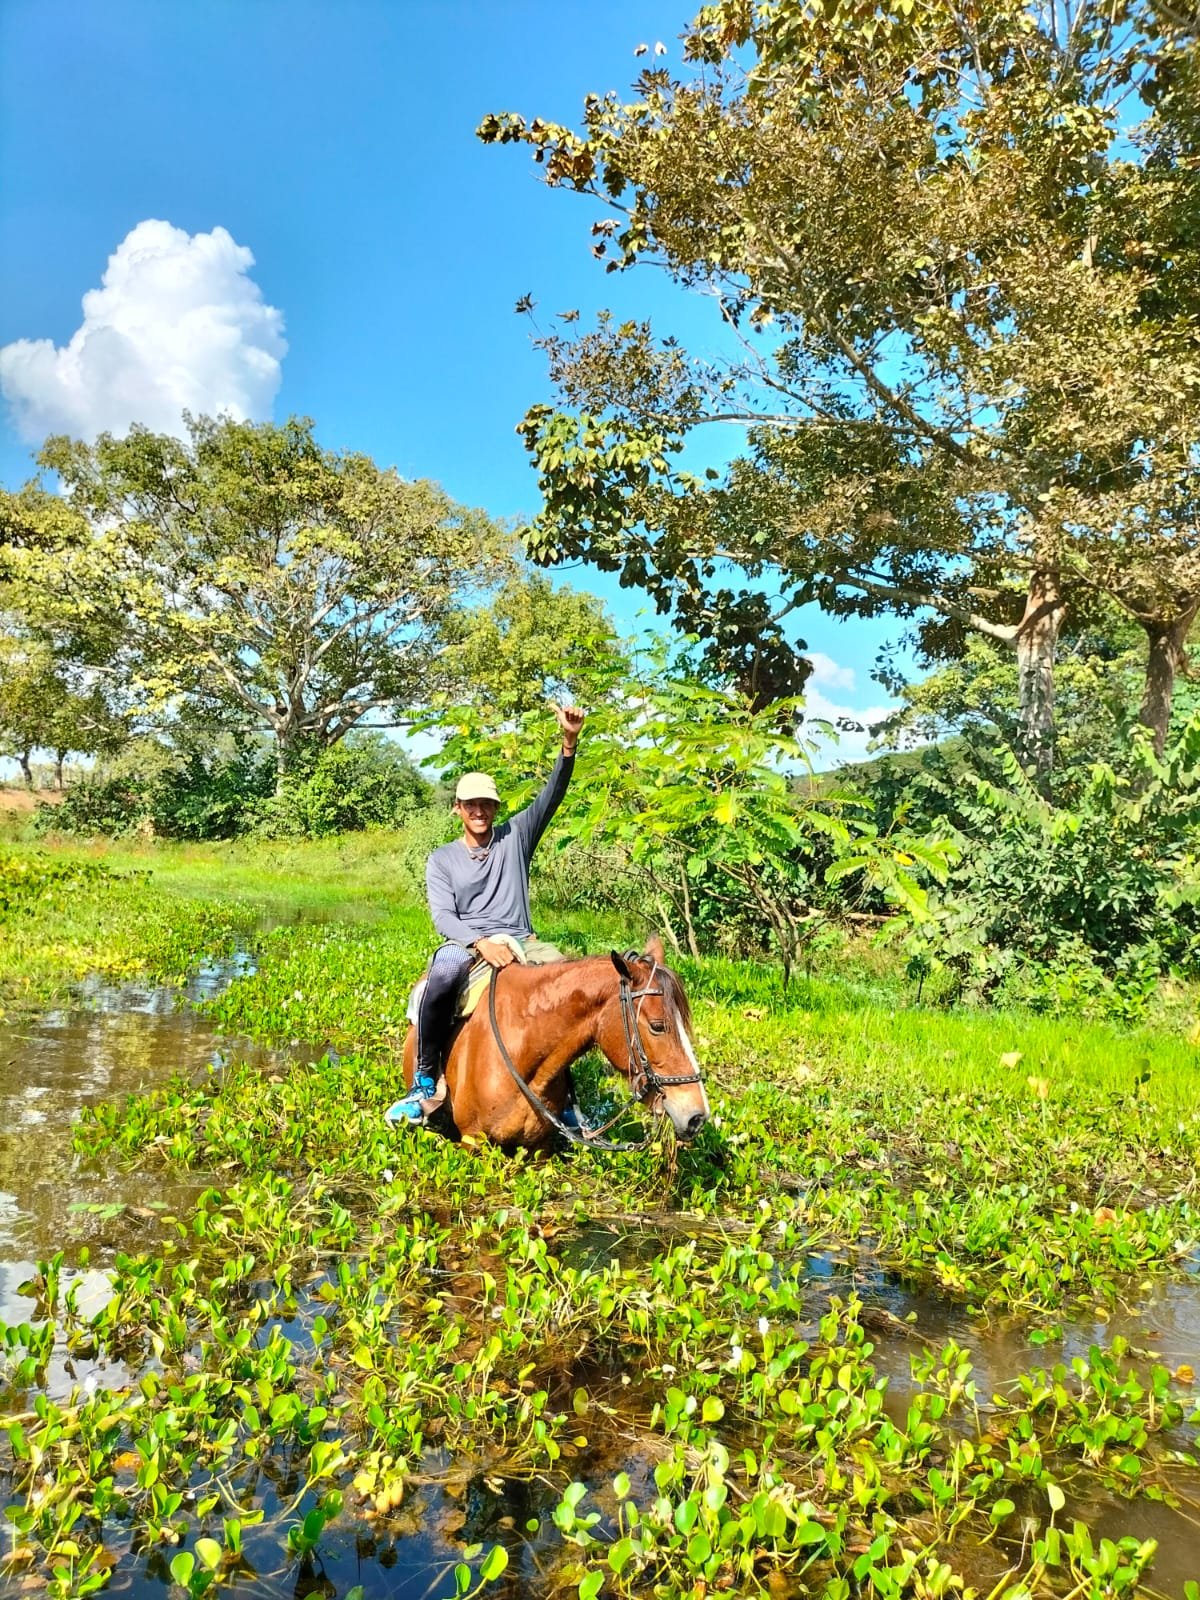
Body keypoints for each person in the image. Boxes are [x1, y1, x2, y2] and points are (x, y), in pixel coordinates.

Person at [385, 703, 586, 1126]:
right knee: (439, 977)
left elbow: (551, 797)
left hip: (525, 941)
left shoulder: (516, 837)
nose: (479, 811)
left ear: (495, 809)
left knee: (567, 985)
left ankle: (567, 1095)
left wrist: (568, 744)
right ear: (457, 808)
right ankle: (424, 1080)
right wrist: (480, 942)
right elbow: (444, 917)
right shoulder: (441, 860)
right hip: (469, 947)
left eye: (486, 804)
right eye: (470, 804)